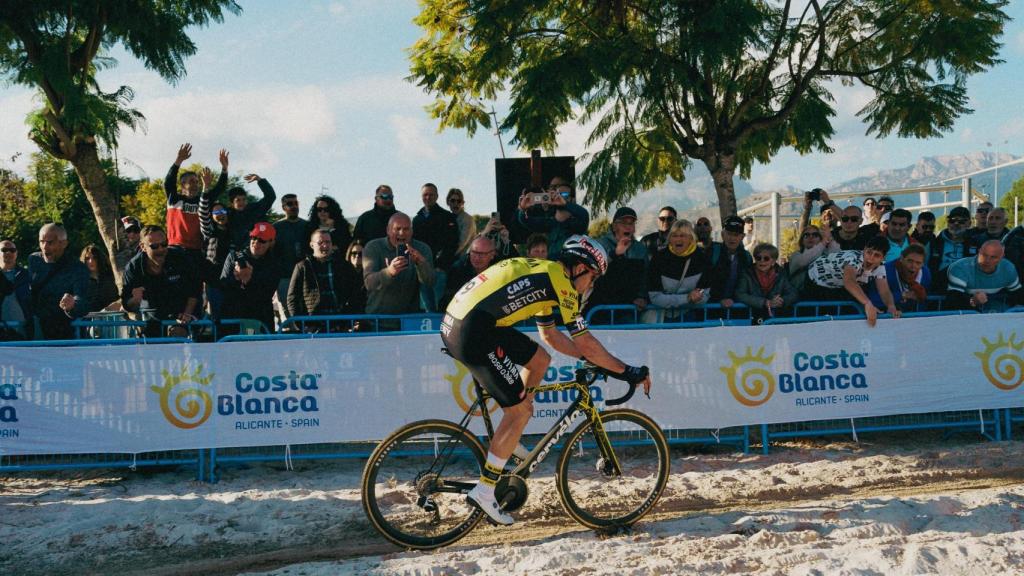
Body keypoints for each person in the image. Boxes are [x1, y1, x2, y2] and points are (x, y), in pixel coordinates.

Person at [440, 235, 651, 525]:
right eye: (593, 277)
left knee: (540, 359)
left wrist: (592, 360)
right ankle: (486, 491)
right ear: (579, 268)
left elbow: (550, 336)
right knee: (521, 411)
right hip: (472, 331)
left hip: (467, 322)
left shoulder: (546, 274)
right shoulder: (561, 284)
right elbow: (586, 341)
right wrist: (626, 370)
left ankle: (508, 439)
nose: (591, 285)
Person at [120, 225, 201, 337]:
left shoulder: (180, 258)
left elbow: (195, 290)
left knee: (177, 334)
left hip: (182, 309)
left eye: (164, 244)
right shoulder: (134, 267)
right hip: (153, 313)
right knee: (152, 343)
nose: (161, 250)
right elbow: (126, 303)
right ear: (143, 247)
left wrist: (187, 313)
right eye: (154, 246)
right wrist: (134, 300)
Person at [805, 236, 900, 326]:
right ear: (864, 249)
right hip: (814, 279)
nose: (871, 257)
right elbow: (849, 281)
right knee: (813, 317)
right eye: (869, 252)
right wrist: (868, 304)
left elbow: (884, 290)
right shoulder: (853, 259)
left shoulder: (880, 266)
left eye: (877, 255)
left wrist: (891, 306)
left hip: (836, 285)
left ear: (883, 258)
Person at [286, 230, 363, 331]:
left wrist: (350, 320)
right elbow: (292, 298)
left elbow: (356, 294)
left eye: (328, 242)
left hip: (340, 325)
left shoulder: (344, 266)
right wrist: (302, 325)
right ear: (312, 245)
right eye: (320, 242)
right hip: (313, 326)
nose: (325, 246)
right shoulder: (302, 267)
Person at [362, 212, 435, 316]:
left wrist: (421, 264)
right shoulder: (373, 247)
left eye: (406, 229)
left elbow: (430, 282)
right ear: (388, 230)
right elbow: (369, 284)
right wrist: (389, 272)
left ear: (412, 231)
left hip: (409, 320)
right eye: (397, 229)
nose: (401, 233)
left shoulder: (422, 249)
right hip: (379, 319)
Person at [28, 224, 90, 340]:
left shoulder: (77, 268)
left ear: (64, 244)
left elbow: (83, 301)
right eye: (41, 242)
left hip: (64, 331)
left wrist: (72, 305)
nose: (44, 247)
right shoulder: (34, 260)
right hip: (36, 329)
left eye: (50, 242)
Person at [164, 144, 227, 254]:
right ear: (183, 184)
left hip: (197, 250)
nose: (196, 184)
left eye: (197, 182)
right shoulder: (174, 199)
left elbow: (219, 188)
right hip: (175, 247)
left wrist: (225, 169)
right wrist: (178, 160)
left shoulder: (202, 201)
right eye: (192, 181)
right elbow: (169, 182)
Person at [646, 219, 712, 322]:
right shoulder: (659, 258)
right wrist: (686, 298)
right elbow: (655, 297)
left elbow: (705, 295)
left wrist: (697, 298)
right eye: (674, 235)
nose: (678, 239)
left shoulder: (702, 259)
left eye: (683, 236)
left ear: (691, 238)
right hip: (661, 318)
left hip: (689, 317)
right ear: (669, 239)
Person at [588, 207, 647, 321]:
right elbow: (593, 272)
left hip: (629, 309)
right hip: (601, 308)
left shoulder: (640, 249)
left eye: (631, 223)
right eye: (624, 223)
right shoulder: (600, 245)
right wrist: (614, 254)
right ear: (614, 226)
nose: (628, 226)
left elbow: (645, 277)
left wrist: (641, 297)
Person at [219, 223, 280, 332]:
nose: (256, 242)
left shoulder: (274, 263)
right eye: (254, 237)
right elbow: (223, 285)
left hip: (261, 316)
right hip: (233, 315)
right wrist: (237, 279)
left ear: (271, 242)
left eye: (262, 240)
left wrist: (249, 279)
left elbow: (267, 292)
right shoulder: (234, 256)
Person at [413, 183, 460, 312]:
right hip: (422, 270)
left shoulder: (447, 217)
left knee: (439, 307)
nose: (428, 197)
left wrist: (441, 265)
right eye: (425, 195)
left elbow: (452, 244)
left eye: (431, 194)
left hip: (439, 270)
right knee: (427, 309)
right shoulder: (417, 220)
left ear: (437, 196)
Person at [514, 181, 589, 257]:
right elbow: (525, 221)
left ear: (572, 199)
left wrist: (565, 204)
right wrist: (522, 209)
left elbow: (584, 215)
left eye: (564, 194)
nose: (558, 197)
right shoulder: (549, 223)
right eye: (556, 194)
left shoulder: (577, 224)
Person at [946, 240, 1022, 313]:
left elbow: (1017, 293)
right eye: (984, 255)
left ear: (1002, 257)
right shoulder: (961, 267)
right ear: (979, 251)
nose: (987, 260)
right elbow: (953, 300)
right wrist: (973, 301)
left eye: (993, 257)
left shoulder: (1008, 268)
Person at [736, 243, 799, 323]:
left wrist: (781, 301)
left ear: (773, 261)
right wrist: (764, 302)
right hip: (751, 318)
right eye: (758, 258)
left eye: (766, 258)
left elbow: (793, 293)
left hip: (776, 318)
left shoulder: (781, 274)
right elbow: (740, 294)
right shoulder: (747, 273)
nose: (762, 261)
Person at [273, 193, 309, 322]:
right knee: (288, 316)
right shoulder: (276, 228)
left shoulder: (307, 226)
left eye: (296, 203)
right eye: (290, 204)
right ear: (283, 207)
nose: (294, 206)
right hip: (285, 277)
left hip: (306, 277)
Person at [705, 215, 752, 310]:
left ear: (742, 237)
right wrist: (719, 300)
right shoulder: (712, 252)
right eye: (729, 234)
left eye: (736, 235)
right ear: (723, 234)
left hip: (738, 309)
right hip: (711, 309)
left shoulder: (746, 257)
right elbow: (704, 282)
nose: (732, 238)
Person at [927, 206, 976, 294]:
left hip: (965, 291)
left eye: (961, 221)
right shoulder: (934, 243)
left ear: (969, 224)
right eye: (952, 220)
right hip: (938, 290)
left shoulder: (976, 243)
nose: (956, 224)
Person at [440, 235, 497, 310]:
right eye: (474, 252)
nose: (477, 258)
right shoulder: (458, 269)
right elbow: (451, 298)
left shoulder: (499, 268)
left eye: (482, 254)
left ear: (492, 255)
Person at [868, 244, 931, 312]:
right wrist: (902, 295)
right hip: (886, 316)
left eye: (918, 263)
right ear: (901, 258)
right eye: (909, 261)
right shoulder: (884, 270)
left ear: (923, 264)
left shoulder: (925, 273)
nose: (913, 266)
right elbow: (873, 299)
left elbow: (925, 301)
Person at [225, 173, 277, 249]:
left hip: (260, 249)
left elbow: (270, 197)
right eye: (238, 200)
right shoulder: (228, 215)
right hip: (240, 252)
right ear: (232, 203)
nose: (242, 202)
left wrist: (260, 180)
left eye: (244, 199)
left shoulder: (254, 209)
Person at [785, 223, 838, 294]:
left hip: (826, 294)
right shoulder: (796, 255)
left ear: (820, 238)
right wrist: (823, 242)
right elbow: (803, 261)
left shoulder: (825, 253)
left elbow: (837, 258)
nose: (811, 237)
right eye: (806, 235)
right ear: (802, 240)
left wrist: (830, 238)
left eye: (815, 235)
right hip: (802, 295)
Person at [0, 240, 31, 339]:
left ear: (16, 254)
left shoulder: (27, 275)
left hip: (22, 330)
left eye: (12, 250)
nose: (8, 252)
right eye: (4, 250)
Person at [80, 245, 119, 312]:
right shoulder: (80, 279)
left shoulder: (110, 276)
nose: (90, 261)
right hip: (89, 318)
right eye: (87, 258)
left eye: (94, 258)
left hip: (112, 316)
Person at [446, 188, 476, 258]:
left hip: (464, 259)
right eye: (453, 201)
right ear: (448, 202)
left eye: (459, 201)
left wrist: (445, 258)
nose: (456, 204)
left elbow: (461, 244)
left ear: (462, 203)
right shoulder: (448, 218)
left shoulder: (467, 219)